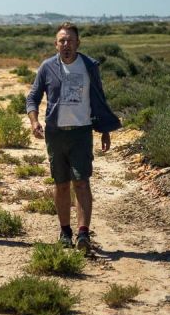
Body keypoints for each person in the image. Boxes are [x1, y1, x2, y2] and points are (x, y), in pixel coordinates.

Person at [26, 22, 121, 251]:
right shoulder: (47, 67)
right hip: (55, 133)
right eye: (62, 41)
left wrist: (104, 130)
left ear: (78, 43)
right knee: (61, 185)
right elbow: (32, 97)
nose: (66, 44)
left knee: (81, 182)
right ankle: (65, 231)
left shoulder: (89, 66)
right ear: (56, 44)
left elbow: (99, 100)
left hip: (81, 132)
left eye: (70, 40)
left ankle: (83, 234)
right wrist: (34, 121)